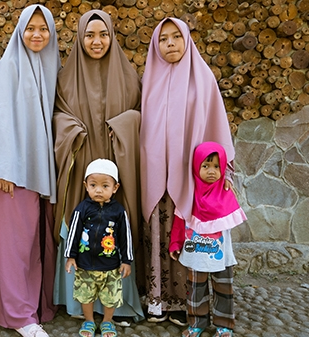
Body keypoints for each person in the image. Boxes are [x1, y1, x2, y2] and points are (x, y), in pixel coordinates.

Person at [140, 17, 236, 326]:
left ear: (187, 40)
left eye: (176, 37)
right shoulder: (150, 79)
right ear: (156, 45)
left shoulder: (203, 77)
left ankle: (189, 304)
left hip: (193, 179)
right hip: (156, 173)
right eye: (163, 39)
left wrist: (223, 174)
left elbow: (216, 125)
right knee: (158, 233)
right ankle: (157, 300)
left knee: (189, 237)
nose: (170, 43)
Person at [53, 9, 144, 325]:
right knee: (82, 225)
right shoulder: (65, 77)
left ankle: (116, 305)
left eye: (103, 34)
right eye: (89, 35)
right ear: (79, 37)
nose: (96, 41)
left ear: (112, 36)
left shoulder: (129, 75)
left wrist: (123, 124)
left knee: (114, 228)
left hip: (114, 163)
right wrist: (72, 130)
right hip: (82, 165)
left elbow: (140, 114)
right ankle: (79, 304)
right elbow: (57, 116)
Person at [0, 4, 60, 337]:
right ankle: (18, 316)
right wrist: (4, 169)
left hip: (38, 169)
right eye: (31, 28)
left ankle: (35, 307)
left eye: (43, 28)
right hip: (13, 172)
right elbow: (0, 120)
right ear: (20, 31)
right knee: (15, 247)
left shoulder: (50, 65)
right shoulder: (9, 66)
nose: (37, 34)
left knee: (34, 242)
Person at [169, 142, 246, 337]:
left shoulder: (226, 193)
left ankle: (224, 324)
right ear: (196, 167)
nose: (211, 171)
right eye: (205, 166)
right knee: (195, 290)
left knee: (223, 289)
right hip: (195, 254)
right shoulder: (189, 195)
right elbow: (179, 219)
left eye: (216, 166)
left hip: (221, 256)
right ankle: (197, 322)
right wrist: (176, 243)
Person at [65, 159, 132, 337]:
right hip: (85, 264)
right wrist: (70, 256)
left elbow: (126, 237)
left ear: (115, 188)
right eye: (93, 185)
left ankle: (107, 322)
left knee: (110, 297)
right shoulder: (82, 209)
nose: (99, 190)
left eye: (105, 186)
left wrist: (126, 260)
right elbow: (73, 233)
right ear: (86, 185)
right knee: (85, 295)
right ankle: (88, 320)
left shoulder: (119, 211)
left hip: (110, 266)